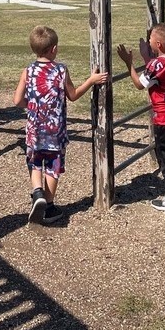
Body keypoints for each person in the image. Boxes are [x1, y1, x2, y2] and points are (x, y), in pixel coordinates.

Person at [15, 26, 107, 224]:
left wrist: (31, 105)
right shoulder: (60, 70)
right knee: (53, 164)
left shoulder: (28, 71)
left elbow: (17, 100)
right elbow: (73, 95)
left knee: (35, 160)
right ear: (54, 49)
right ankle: (48, 206)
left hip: (34, 128)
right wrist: (91, 80)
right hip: (55, 129)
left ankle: (37, 192)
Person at [118, 23, 165, 212]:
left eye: (151, 40)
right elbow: (156, 70)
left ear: (159, 44)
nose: (148, 42)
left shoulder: (157, 64)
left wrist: (128, 62)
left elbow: (140, 84)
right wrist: (146, 55)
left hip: (164, 117)